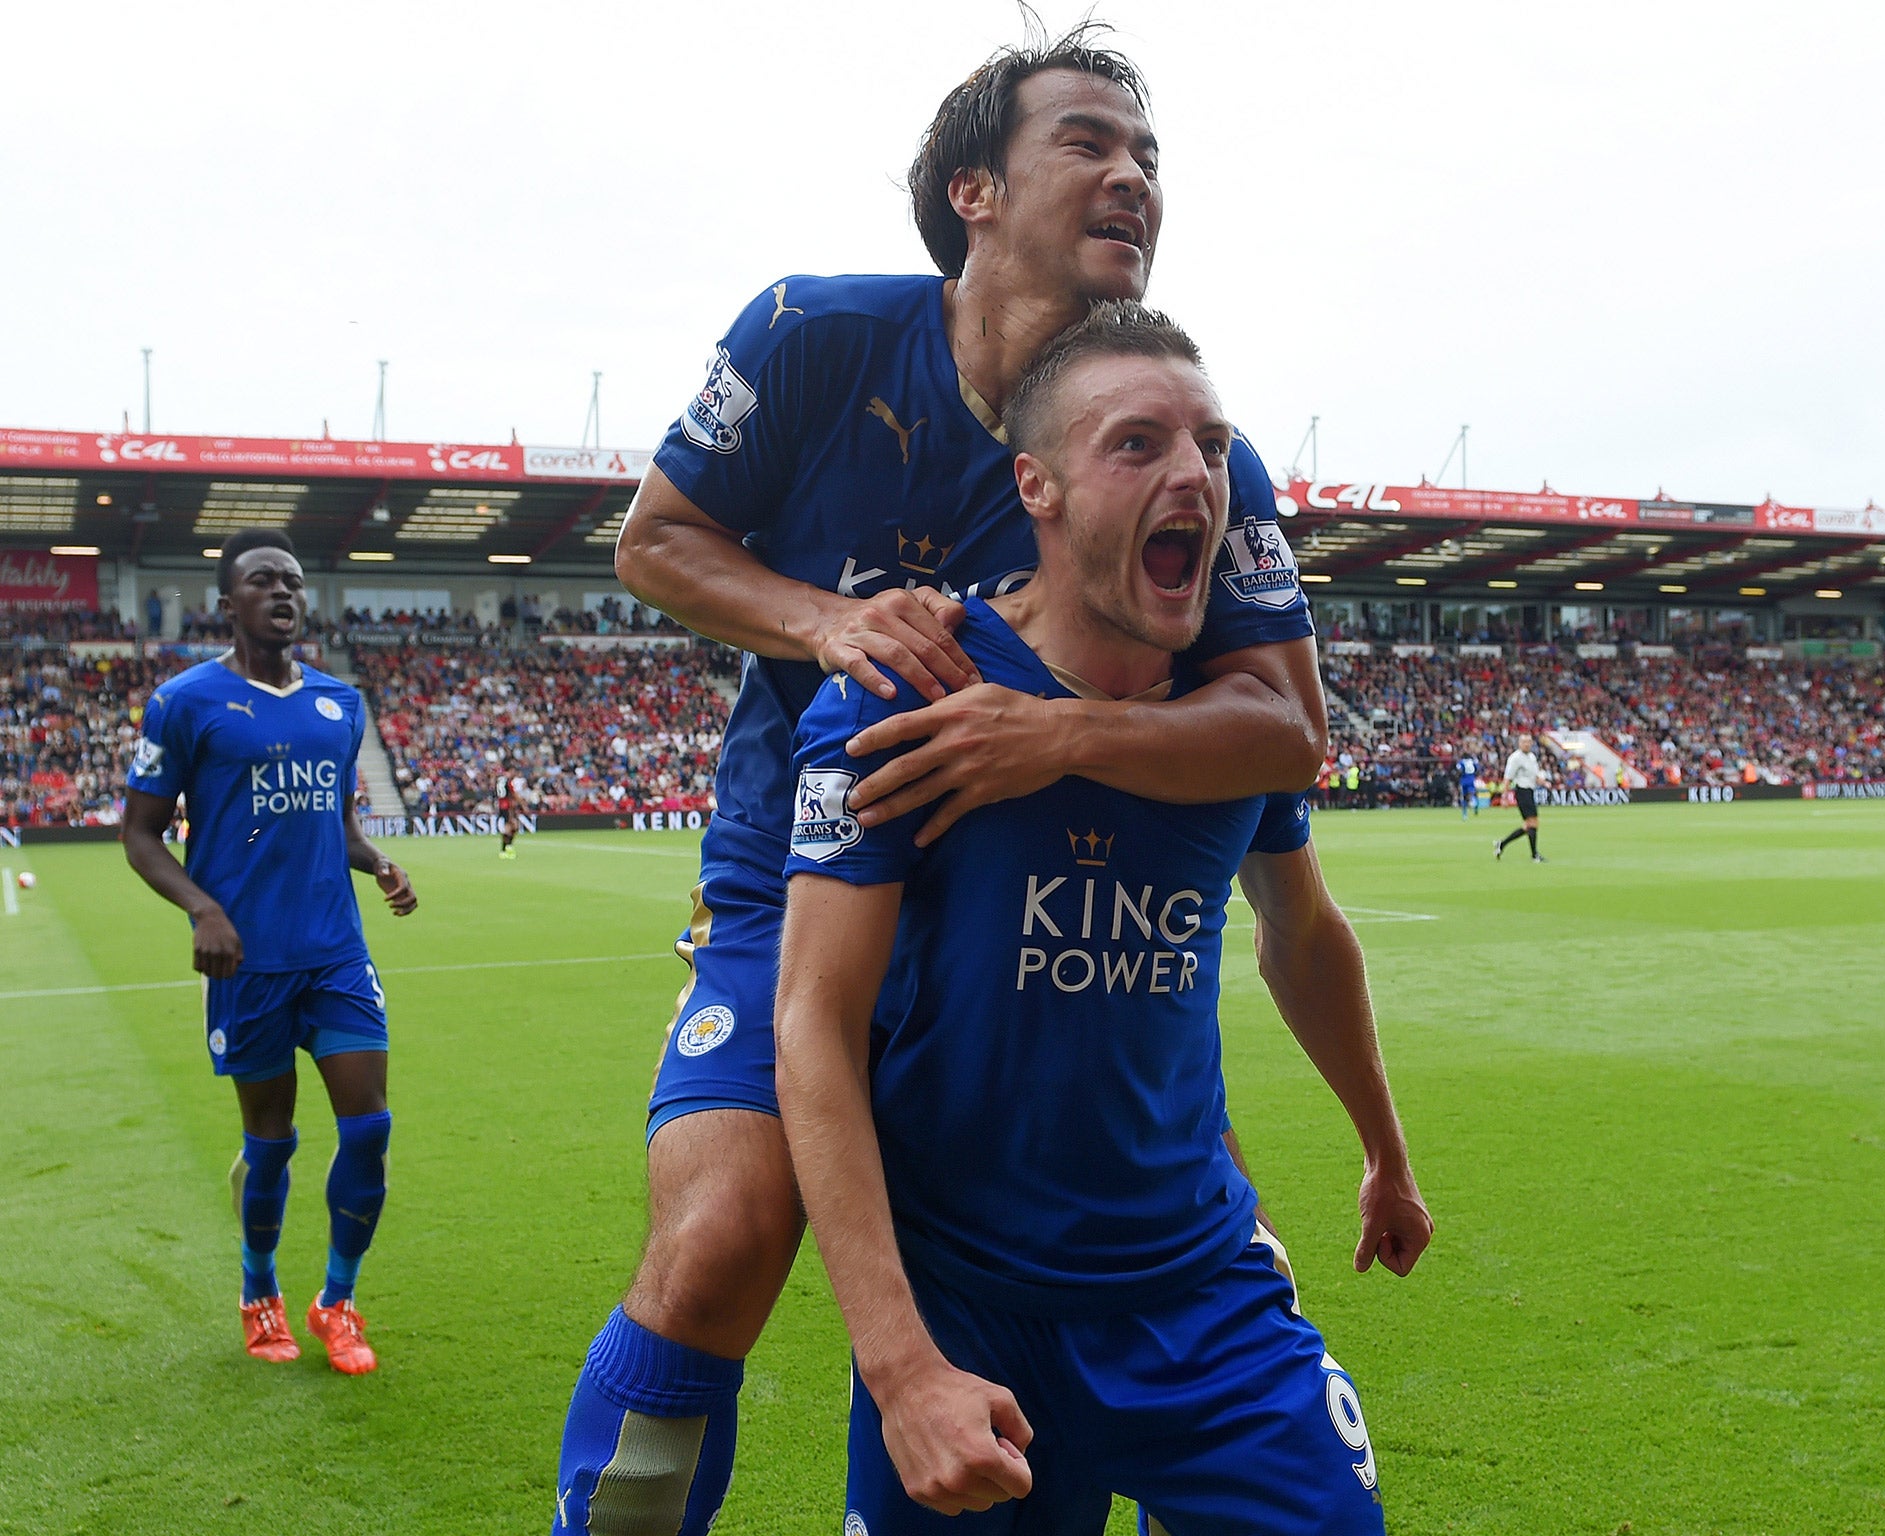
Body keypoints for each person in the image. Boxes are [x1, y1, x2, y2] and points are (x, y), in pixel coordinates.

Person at [552, 29, 1376, 1536]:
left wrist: (1052, 737)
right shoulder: (813, 336)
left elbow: (1282, 727)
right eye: (1090, 143)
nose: (1132, 175)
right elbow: (650, 542)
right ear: (971, 190)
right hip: (810, 867)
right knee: (726, 1232)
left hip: (1045, 902)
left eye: (1150, 158)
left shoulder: (1192, 449)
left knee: (1193, 1283)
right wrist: (831, 621)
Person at [777, 306, 1427, 1532]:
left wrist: (1382, 1148)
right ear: (1040, 485)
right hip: (971, 1314)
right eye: (1136, 444)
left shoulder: (1231, 728)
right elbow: (812, 1021)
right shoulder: (918, 692)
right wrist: (899, 1363)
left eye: (1210, 445)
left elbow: (1303, 930)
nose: (1192, 472)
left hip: (1201, 1298)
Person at [120, 529, 418, 1373]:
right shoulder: (184, 703)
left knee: (369, 1129)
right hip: (247, 961)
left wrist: (379, 861)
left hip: (335, 954)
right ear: (228, 603)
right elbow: (140, 837)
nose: (283, 592)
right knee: (273, 1142)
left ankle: (338, 1299)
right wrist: (202, 909)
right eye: (262, 581)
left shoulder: (337, 703)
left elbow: (339, 821)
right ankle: (260, 1291)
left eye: (292, 580)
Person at [1494, 732, 1548, 862]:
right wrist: (1504, 797)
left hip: (1529, 791)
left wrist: (1543, 782)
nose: (1527, 744)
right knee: (1533, 823)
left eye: (1529, 742)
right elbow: (1507, 778)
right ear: (1519, 743)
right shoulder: (1515, 758)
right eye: (1524, 742)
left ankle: (1502, 844)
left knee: (1528, 826)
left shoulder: (1532, 757)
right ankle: (1534, 855)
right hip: (1522, 791)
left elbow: (1534, 775)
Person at [498, 774, 521, 859]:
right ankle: (506, 849)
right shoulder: (508, 781)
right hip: (507, 807)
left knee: (512, 827)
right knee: (511, 827)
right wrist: (522, 803)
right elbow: (513, 794)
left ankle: (506, 849)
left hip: (502, 806)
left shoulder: (499, 780)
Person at [1456, 744, 1482, 819]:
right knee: (1473, 793)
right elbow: (1477, 768)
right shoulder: (1472, 761)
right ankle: (1474, 803)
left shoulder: (1461, 762)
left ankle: (1465, 814)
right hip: (1471, 779)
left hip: (1464, 780)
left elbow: (1459, 769)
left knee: (1464, 797)